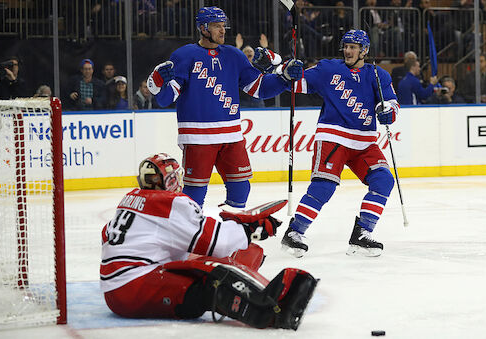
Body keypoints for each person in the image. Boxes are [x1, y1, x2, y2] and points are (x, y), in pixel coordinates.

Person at [101, 153, 318, 329]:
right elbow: (217, 244)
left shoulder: (129, 200)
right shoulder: (169, 202)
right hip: (134, 289)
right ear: (171, 180)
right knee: (210, 279)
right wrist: (251, 230)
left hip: (116, 290)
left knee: (239, 255)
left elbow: (108, 234)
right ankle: (268, 311)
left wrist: (235, 225)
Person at [147, 6, 303, 209]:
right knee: (195, 192)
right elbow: (166, 99)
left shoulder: (233, 55)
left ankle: (230, 229)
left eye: (223, 26)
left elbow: (259, 88)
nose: (222, 31)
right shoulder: (184, 55)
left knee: (241, 187)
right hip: (198, 136)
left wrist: (284, 78)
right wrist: (157, 84)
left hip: (232, 135)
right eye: (216, 26)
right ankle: (188, 232)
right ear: (203, 28)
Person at [278, 30, 400, 258]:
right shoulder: (328, 69)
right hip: (334, 136)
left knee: (383, 180)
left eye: (353, 47)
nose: (348, 51)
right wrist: (289, 72)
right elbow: (297, 84)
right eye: (346, 46)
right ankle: (294, 232)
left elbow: (392, 103)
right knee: (324, 186)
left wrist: (387, 112)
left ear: (365, 50)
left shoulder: (377, 75)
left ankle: (362, 234)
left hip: (364, 140)